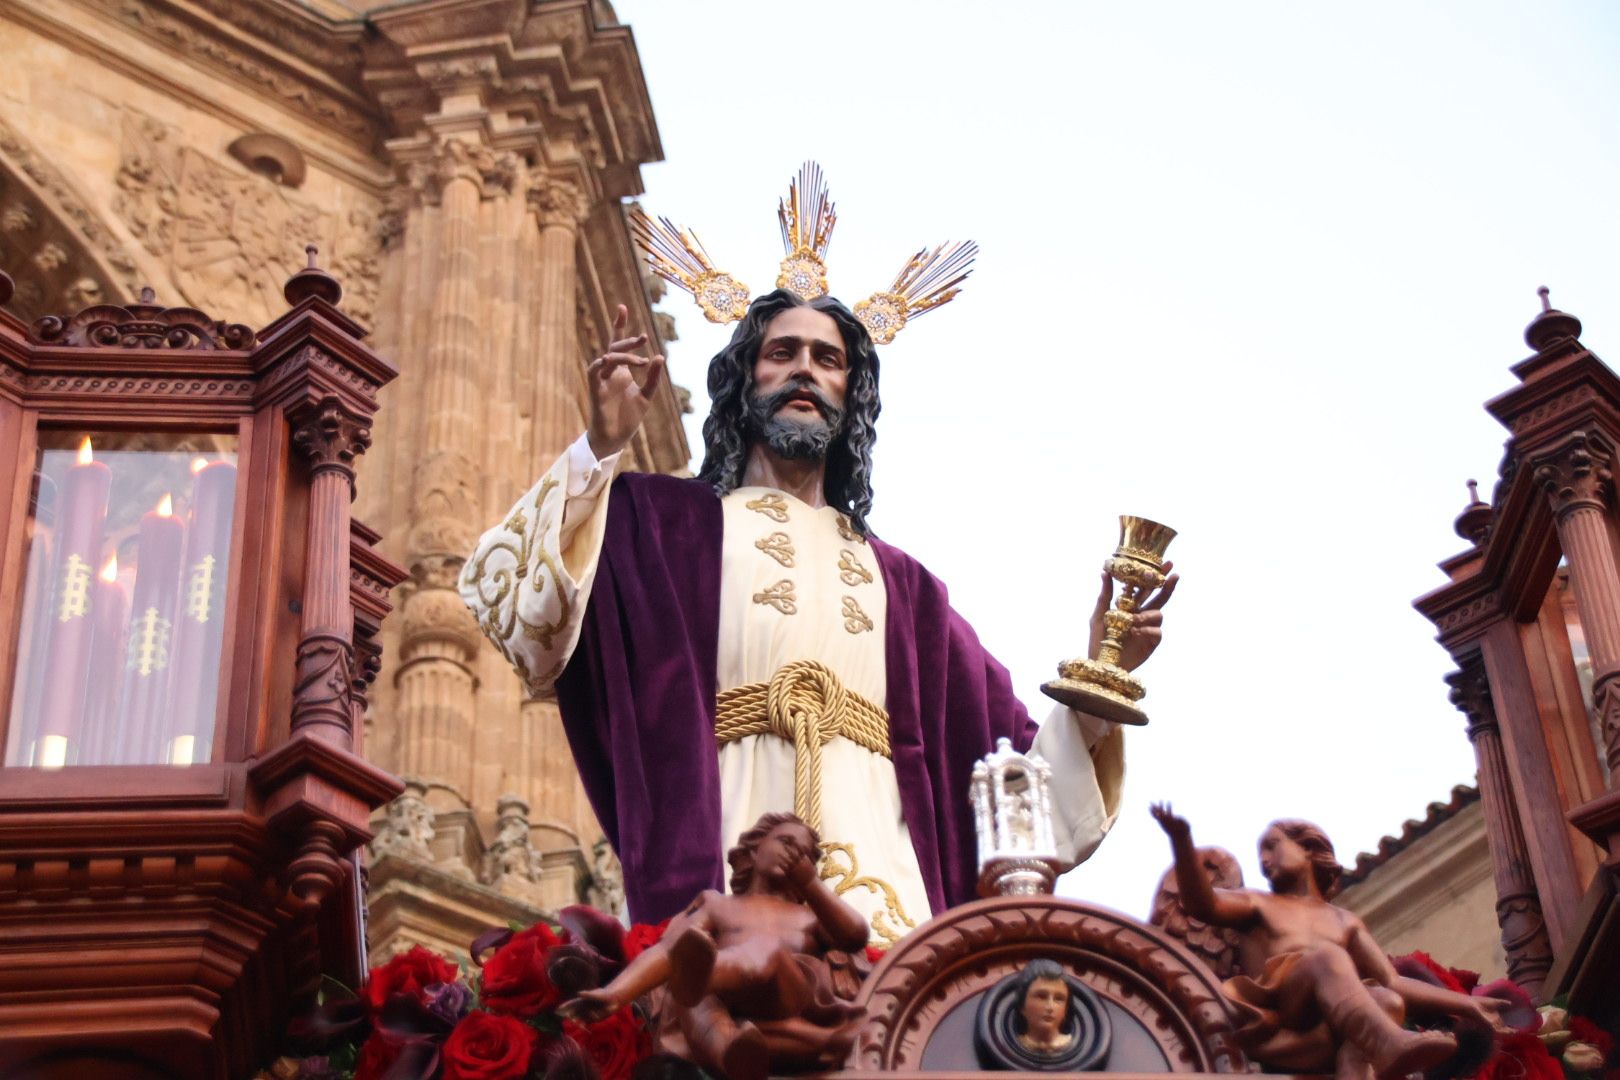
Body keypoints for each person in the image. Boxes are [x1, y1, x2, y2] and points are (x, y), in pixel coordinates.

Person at [461, 189, 1174, 936]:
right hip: (721, 849)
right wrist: (601, 448)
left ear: (850, 394)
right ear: (747, 383)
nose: (804, 369)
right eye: (782, 353)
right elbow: (519, 608)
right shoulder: (661, 525)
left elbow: (1015, 779)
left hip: (889, 900)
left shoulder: (907, 590)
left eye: (827, 359)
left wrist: (1102, 669)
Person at [1149, 804, 1503, 1080]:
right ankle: (1388, 1043)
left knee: (1385, 999)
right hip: (1276, 1023)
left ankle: (1364, 1061)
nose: (1263, 860)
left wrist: (1467, 1005)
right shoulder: (1257, 902)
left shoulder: (1345, 921)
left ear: (1307, 849)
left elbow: (1392, 980)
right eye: (1260, 853)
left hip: (1325, 1034)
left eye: (1272, 847)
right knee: (1326, 958)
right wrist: (1182, 842)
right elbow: (1202, 903)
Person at [562, 812, 868, 1080]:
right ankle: (732, 1056)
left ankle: (705, 976)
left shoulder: (809, 916)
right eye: (786, 842)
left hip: (785, 994)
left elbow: (855, 934)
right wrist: (615, 994)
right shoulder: (716, 905)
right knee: (695, 996)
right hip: (722, 1003)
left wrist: (811, 884)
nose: (793, 854)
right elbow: (668, 951)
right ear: (754, 848)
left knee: (760, 951)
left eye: (803, 855)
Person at [1013, 959, 1074, 1054]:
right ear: (1022, 1006)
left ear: (1066, 1009)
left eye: (1059, 999)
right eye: (1041, 997)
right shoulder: (1012, 1045)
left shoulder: (1078, 1046)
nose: (1050, 1007)